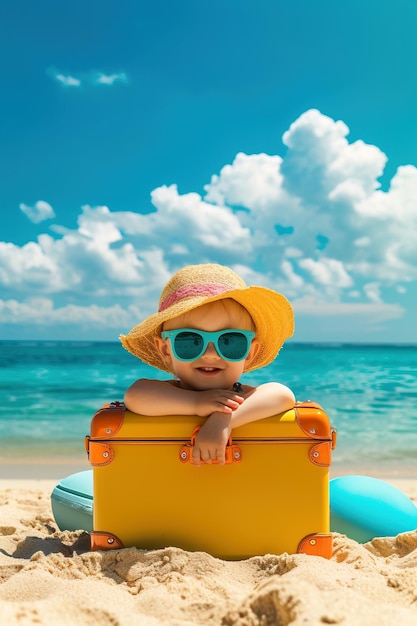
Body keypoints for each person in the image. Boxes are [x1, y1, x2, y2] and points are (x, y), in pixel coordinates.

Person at [120, 263, 295, 466]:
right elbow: (135, 395)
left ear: (249, 352)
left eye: (229, 341)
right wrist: (197, 403)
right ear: (165, 350)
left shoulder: (244, 399)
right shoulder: (163, 393)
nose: (210, 355)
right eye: (190, 340)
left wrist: (224, 419)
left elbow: (282, 394)